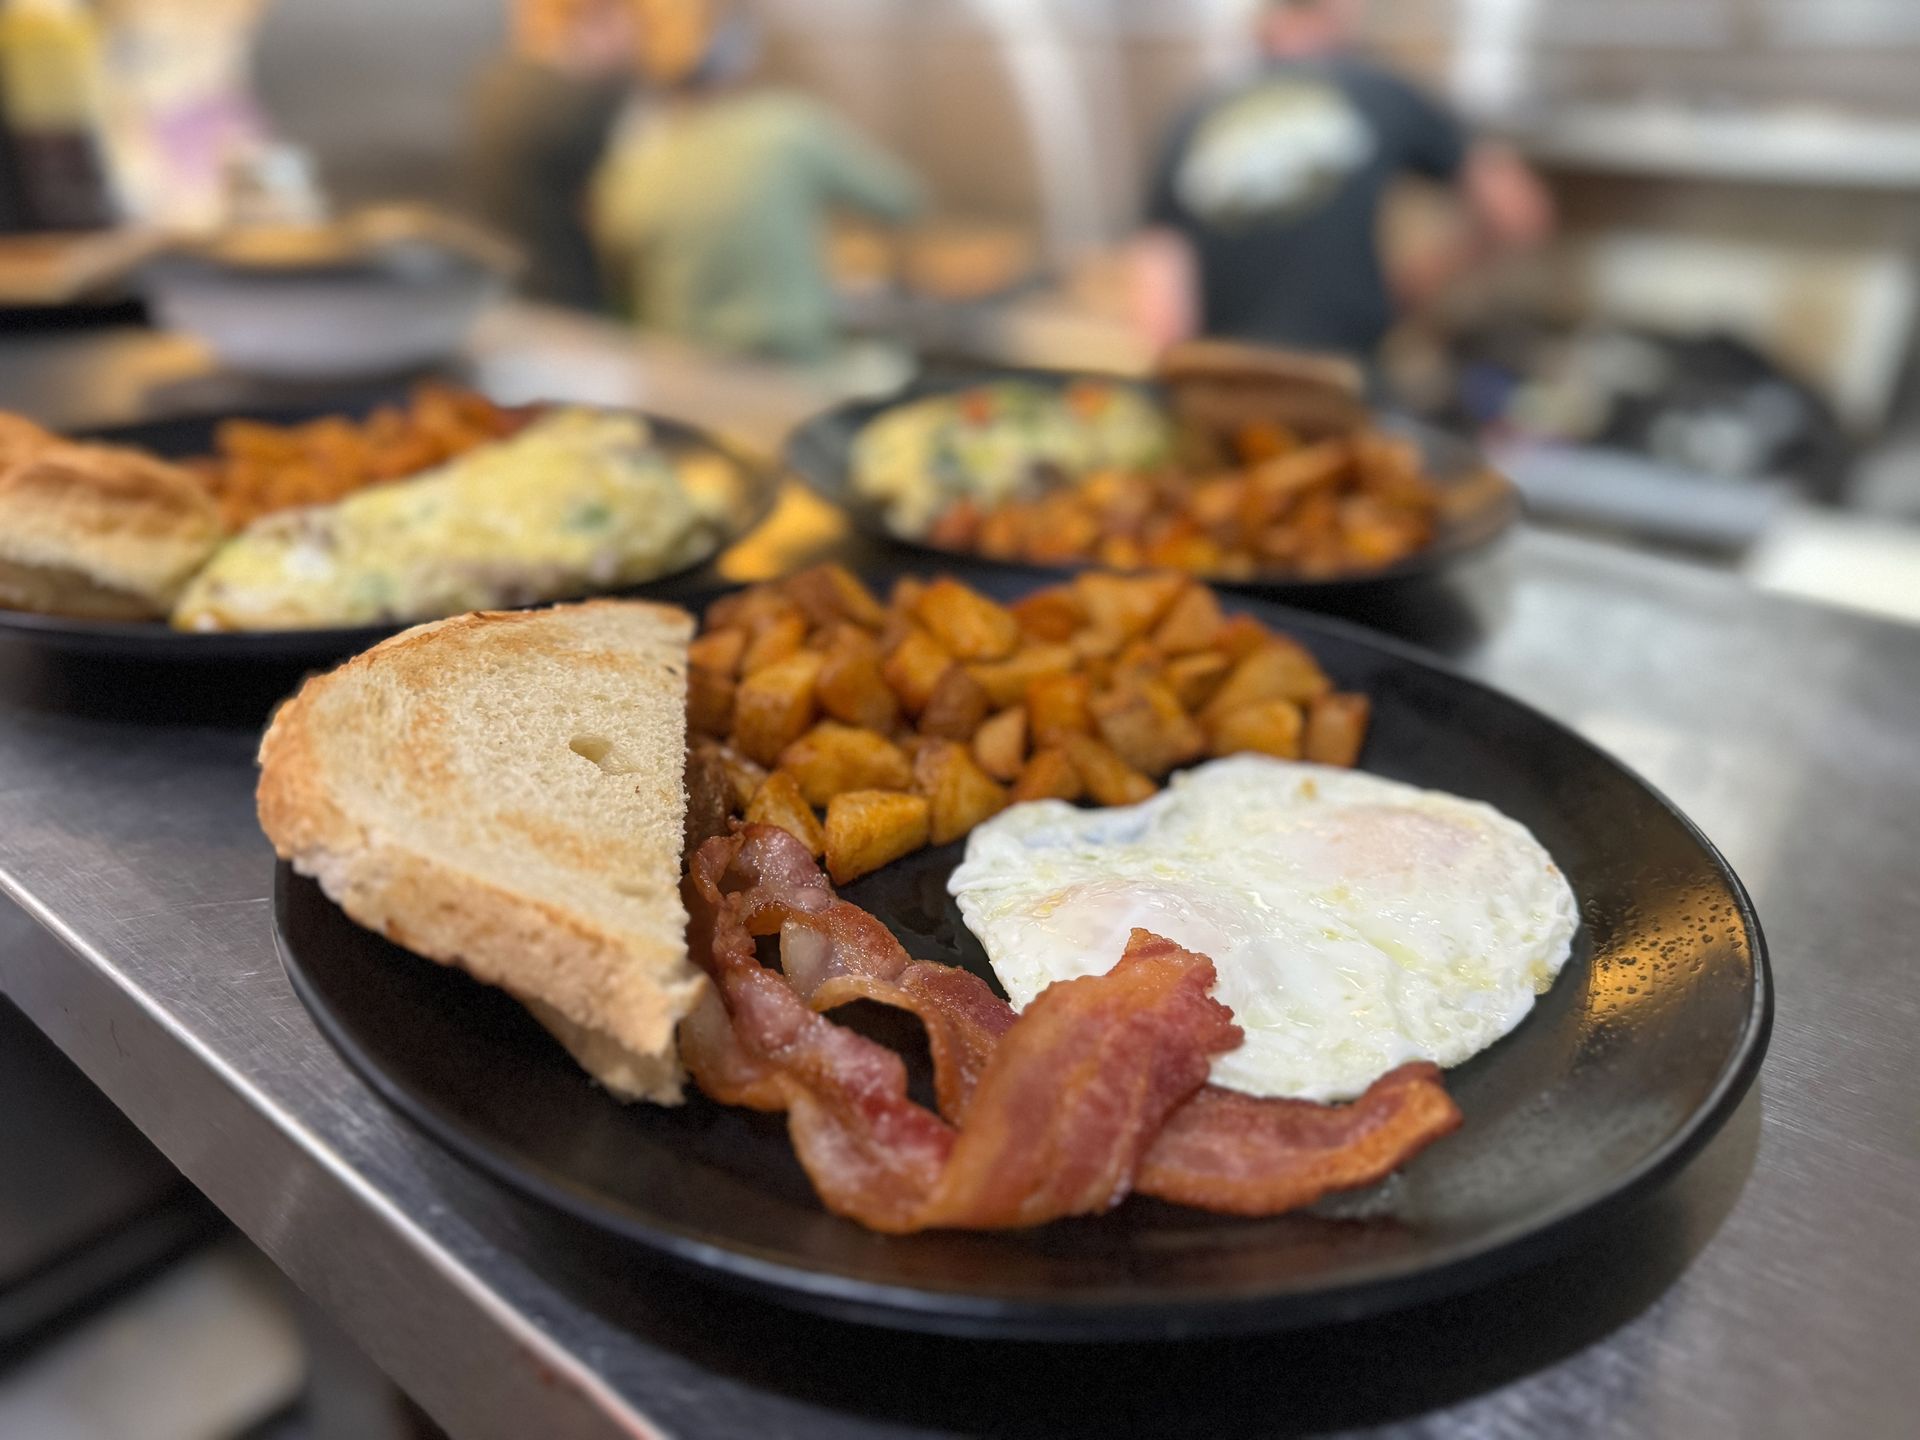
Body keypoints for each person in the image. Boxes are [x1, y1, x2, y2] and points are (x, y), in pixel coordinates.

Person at [1134, 0, 1551, 360]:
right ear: (1341, 8)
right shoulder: (1381, 90)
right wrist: (1416, 285)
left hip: (1230, 397)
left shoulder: (1193, 120)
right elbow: (1518, 212)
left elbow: (1163, 321)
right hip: (1341, 387)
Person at [590, 0, 924, 361]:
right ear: (739, 50)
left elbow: (619, 267)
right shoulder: (788, 127)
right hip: (799, 372)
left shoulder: (630, 171)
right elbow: (903, 200)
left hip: (685, 381)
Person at [463, 0, 640, 310]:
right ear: (597, 17)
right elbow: (620, 224)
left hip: (508, 295)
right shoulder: (580, 109)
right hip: (572, 302)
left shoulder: (496, 85)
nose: (636, 43)